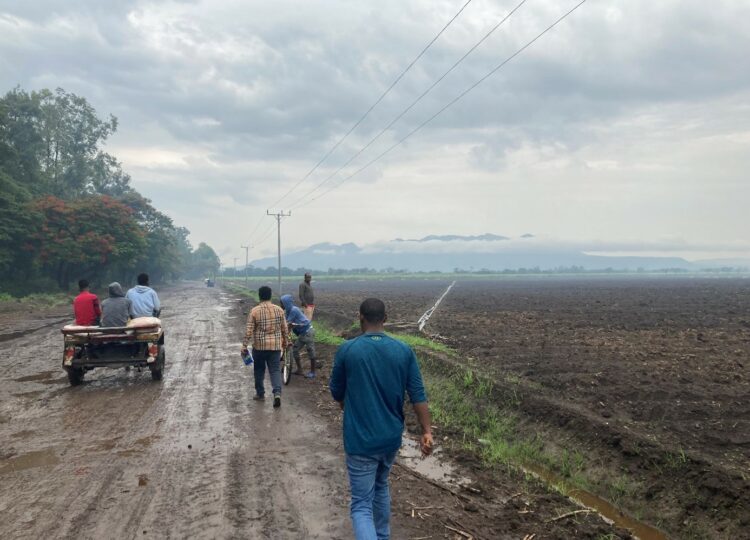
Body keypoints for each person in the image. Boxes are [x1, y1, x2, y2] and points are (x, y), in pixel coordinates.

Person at [329, 298, 433, 540]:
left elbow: (336, 390)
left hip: (360, 440)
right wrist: (427, 431)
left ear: (360, 317)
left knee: (361, 505)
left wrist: (346, 400)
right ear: (385, 319)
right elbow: (418, 394)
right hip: (390, 439)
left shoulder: (348, 350)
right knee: (381, 486)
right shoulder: (403, 350)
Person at [242, 286, 290, 408]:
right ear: (270, 296)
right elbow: (285, 329)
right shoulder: (279, 310)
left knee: (259, 370)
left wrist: (244, 345)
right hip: (275, 347)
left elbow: (249, 330)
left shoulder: (254, 311)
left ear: (259, 296)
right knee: (275, 370)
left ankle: (260, 394)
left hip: (259, 347)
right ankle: (277, 393)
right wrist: (286, 342)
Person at [280, 294, 318, 379]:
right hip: (302, 334)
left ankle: (313, 372)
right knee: (295, 350)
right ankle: (299, 370)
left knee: (310, 351)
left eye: (282, 303)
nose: (281, 305)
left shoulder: (294, 310)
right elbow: (287, 325)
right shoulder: (288, 311)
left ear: (286, 303)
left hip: (307, 332)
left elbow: (287, 325)